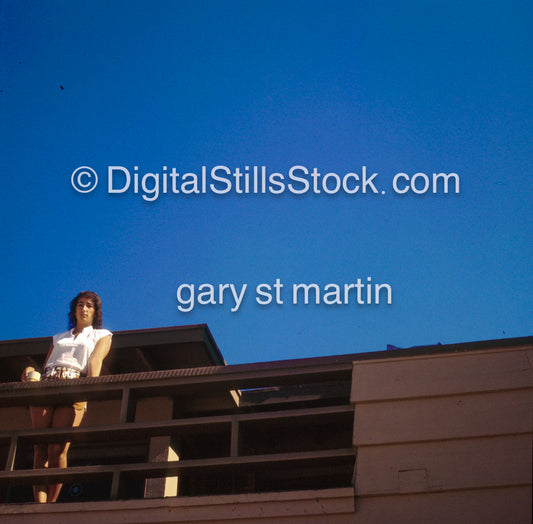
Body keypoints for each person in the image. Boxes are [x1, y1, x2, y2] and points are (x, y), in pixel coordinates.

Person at [21, 291, 112, 503]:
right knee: (40, 447)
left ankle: (51, 505)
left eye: (89, 305)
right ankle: (39, 505)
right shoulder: (59, 337)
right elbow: (47, 364)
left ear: (95, 311)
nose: (84, 308)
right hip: (48, 382)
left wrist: (90, 386)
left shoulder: (102, 335)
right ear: (74, 309)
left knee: (57, 449)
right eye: (80, 304)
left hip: (75, 385)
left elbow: (95, 360)